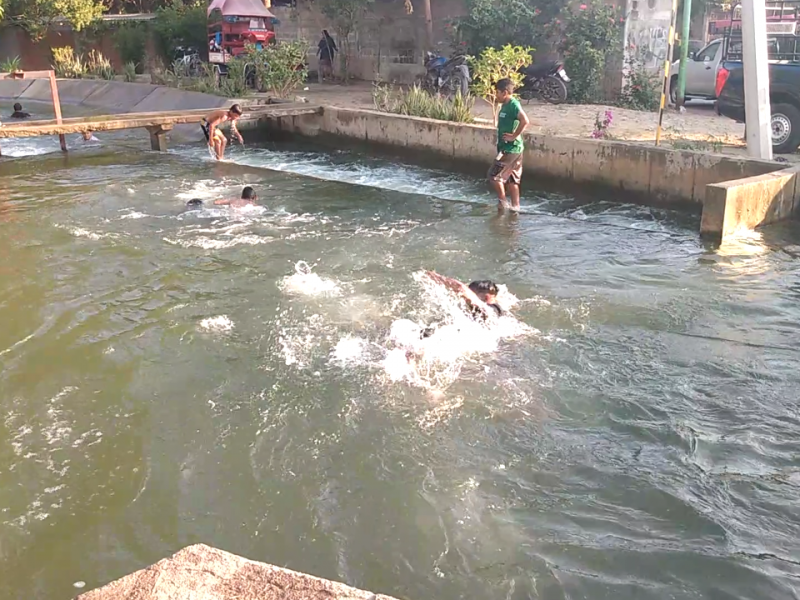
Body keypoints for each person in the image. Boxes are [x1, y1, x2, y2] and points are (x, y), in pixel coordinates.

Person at [419, 271, 505, 338]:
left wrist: (437, 277)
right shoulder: (498, 310)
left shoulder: (485, 310)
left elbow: (461, 287)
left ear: (482, 294)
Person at [488, 78, 530, 212]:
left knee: (494, 176)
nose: (496, 95)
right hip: (511, 148)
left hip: (510, 149)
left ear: (505, 92)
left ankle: (503, 203)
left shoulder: (513, 104)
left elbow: (525, 121)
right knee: (512, 179)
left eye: (498, 92)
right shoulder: (505, 105)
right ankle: (515, 208)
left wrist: (514, 136)